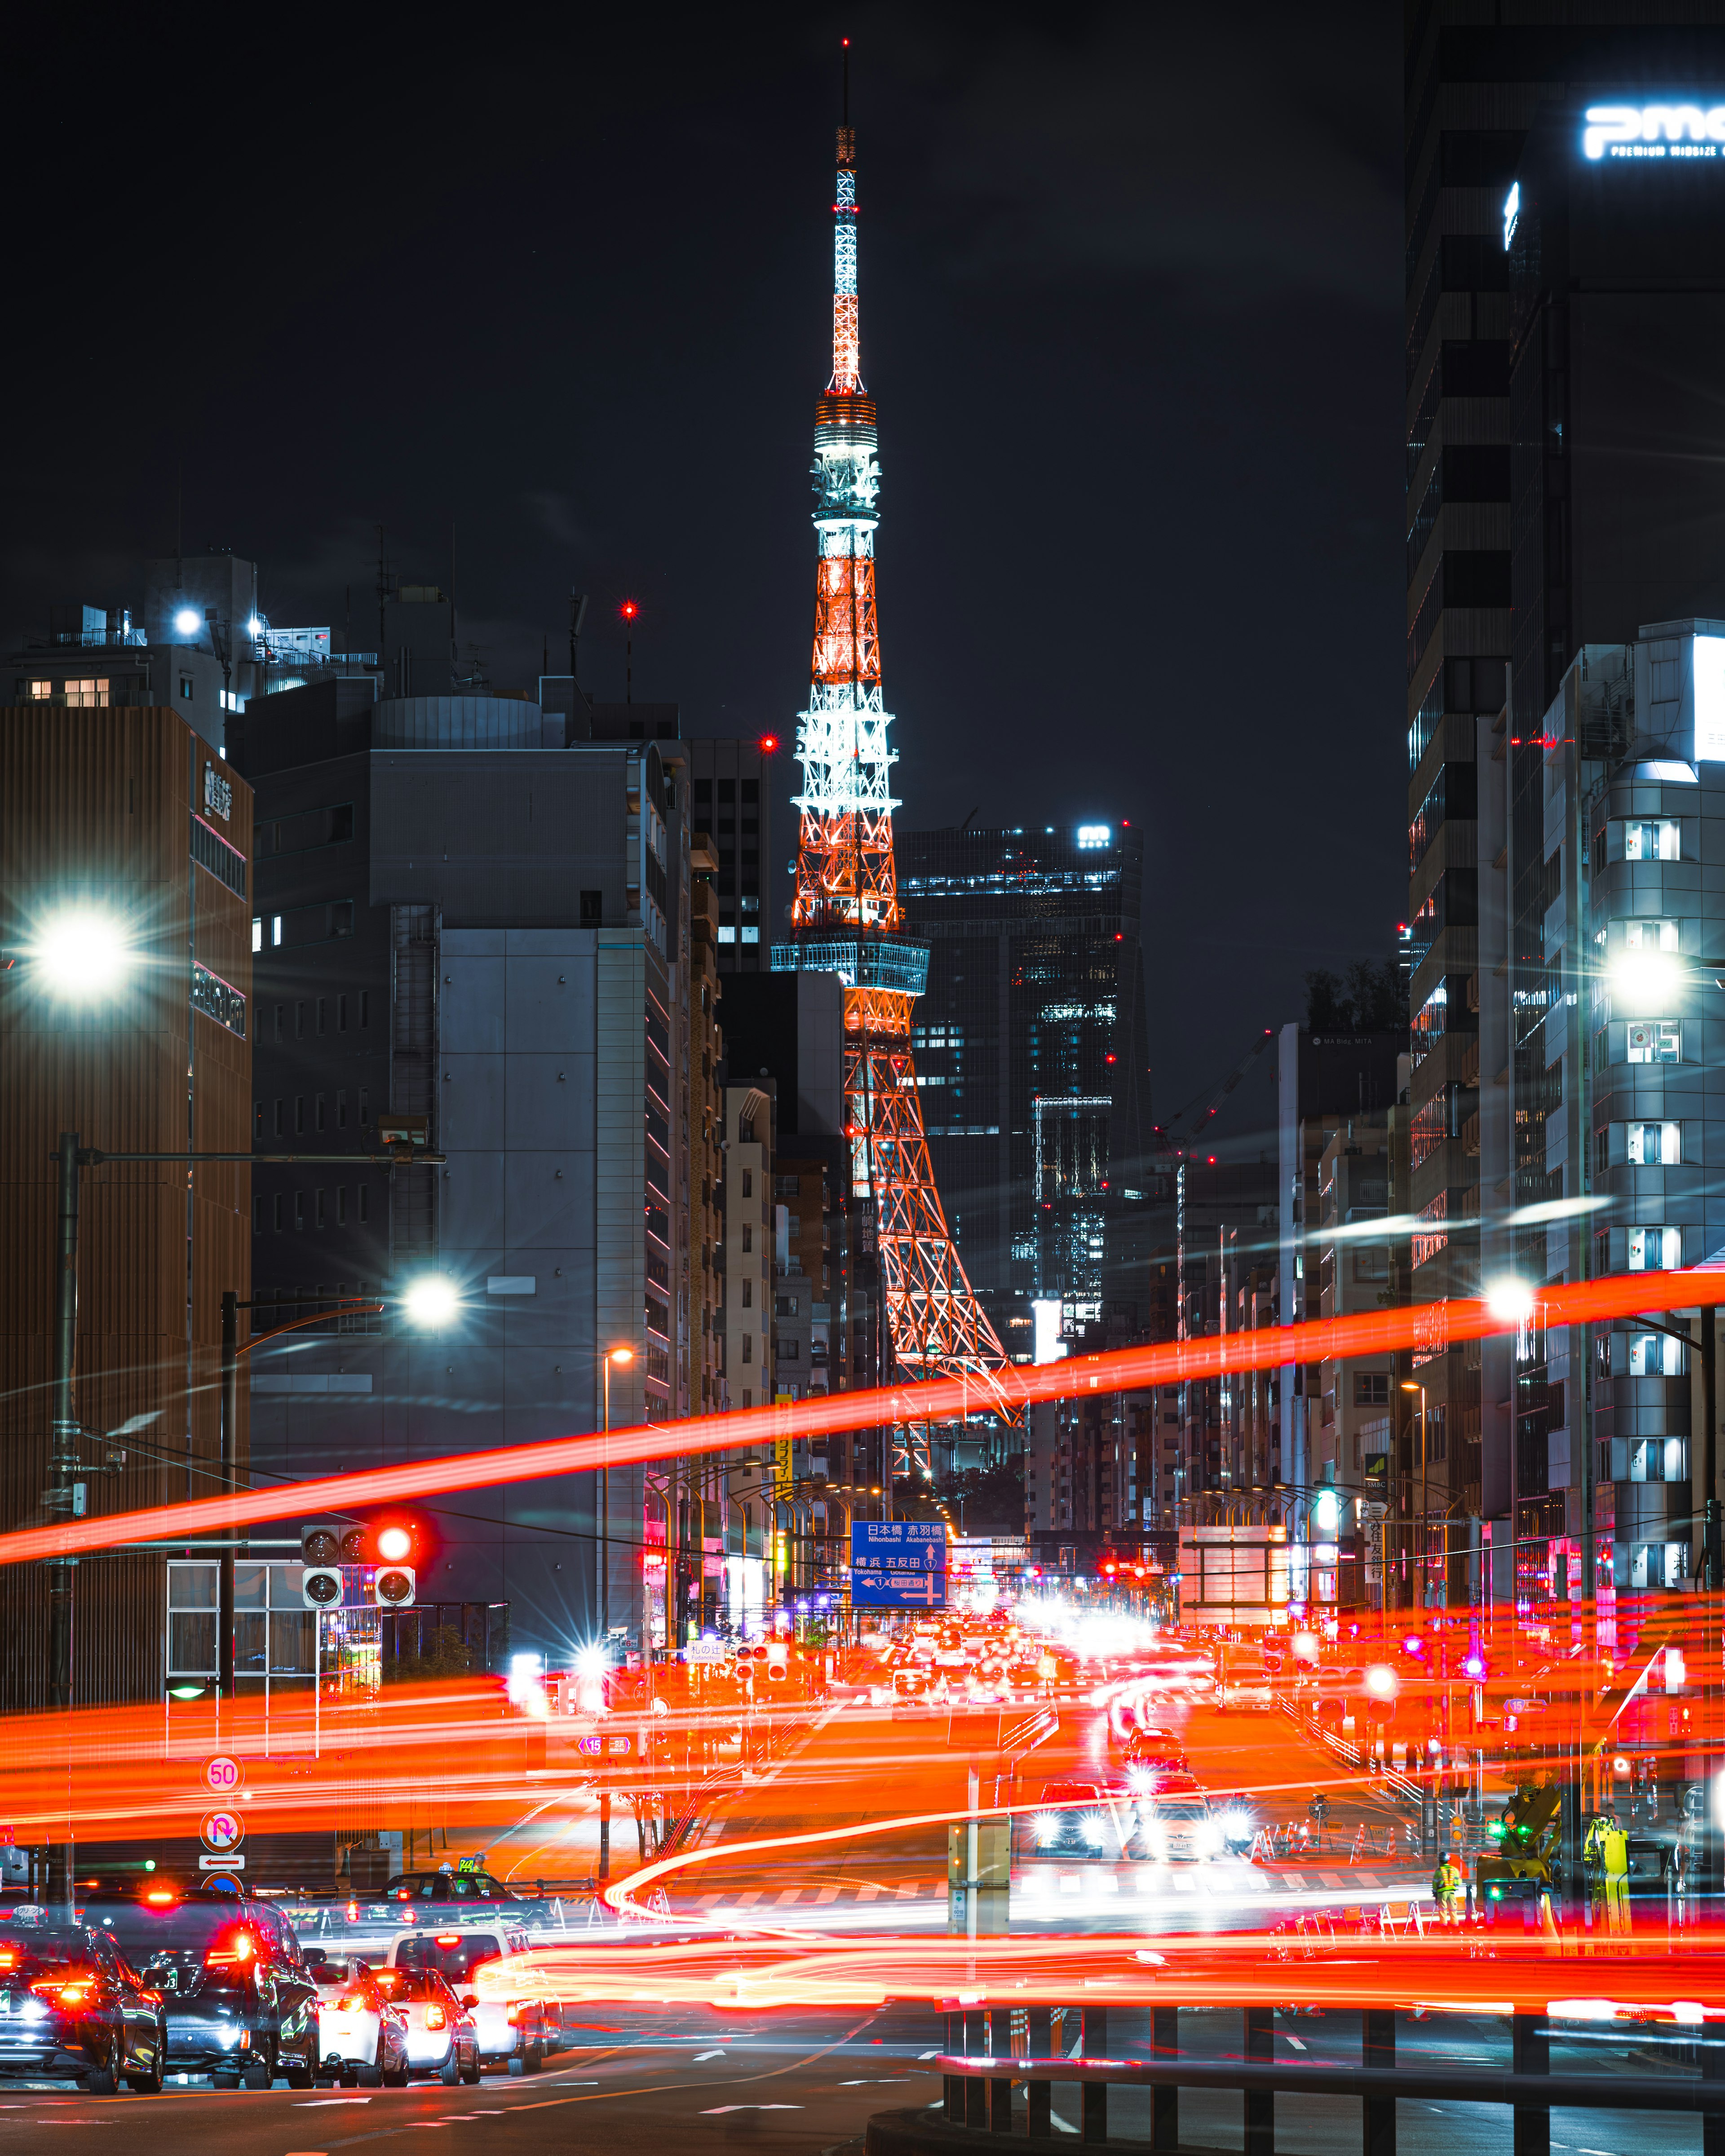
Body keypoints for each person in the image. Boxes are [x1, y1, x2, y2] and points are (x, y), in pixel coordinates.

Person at [1432, 1848, 1464, 1927]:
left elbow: (1435, 1884)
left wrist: (1435, 1895)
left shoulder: (1439, 1871)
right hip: (1452, 1893)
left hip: (1441, 1894)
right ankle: (1455, 1925)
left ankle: (1444, 1926)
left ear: (1440, 1861)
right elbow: (1459, 1883)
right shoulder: (1454, 1870)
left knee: (1442, 1910)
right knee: (1453, 1909)